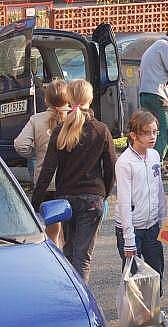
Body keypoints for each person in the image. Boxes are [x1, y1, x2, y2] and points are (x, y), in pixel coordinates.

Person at [32, 79, 116, 284]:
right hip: (92, 197)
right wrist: (104, 193)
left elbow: (47, 171)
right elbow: (112, 168)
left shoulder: (61, 130)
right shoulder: (101, 130)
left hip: (66, 198)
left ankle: (71, 296)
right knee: (83, 256)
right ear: (91, 98)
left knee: (68, 250)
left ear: (69, 98)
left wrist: (34, 204)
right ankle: (83, 303)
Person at [114, 110, 168, 327]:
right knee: (133, 277)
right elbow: (123, 200)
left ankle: (155, 312)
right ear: (133, 135)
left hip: (152, 226)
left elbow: (159, 191)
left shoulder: (153, 156)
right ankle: (130, 325)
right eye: (147, 133)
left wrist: (163, 221)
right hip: (131, 228)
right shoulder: (124, 162)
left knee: (156, 272)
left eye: (155, 132)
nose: (152, 137)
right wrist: (129, 238)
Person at [14, 79, 69, 246]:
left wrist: (36, 154)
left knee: (51, 229)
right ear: (69, 98)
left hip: (46, 181)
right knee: (69, 230)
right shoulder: (74, 119)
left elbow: (20, 144)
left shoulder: (36, 120)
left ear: (46, 99)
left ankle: (56, 258)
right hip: (70, 180)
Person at [139, 27, 168, 160]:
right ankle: (157, 161)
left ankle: (145, 158)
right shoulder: (167, 46)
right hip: (157, 96)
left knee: (150, 130)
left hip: (145, 94)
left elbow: (158, 73)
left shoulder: (153, 47)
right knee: (165, 130)